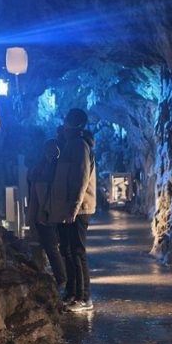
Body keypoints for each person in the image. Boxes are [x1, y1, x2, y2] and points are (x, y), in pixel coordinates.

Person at [50, 108, 97, 312]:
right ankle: (72, 292)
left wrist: (74, 208)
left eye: (67, 121)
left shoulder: (79, 145)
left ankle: (84, 297)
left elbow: (81, 179)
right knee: (67, 251)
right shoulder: (69, 144)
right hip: (68, 208)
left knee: (77, 252)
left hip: (78, 209)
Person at [26, 139, 66, 290]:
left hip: (49, 213)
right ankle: (54, 276)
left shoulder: (52, 169)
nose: (51, 153)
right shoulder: (41, 169)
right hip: (42, 212)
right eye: (49, 150)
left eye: (53, 150)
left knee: (53, 247)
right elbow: (35, 194)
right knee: (47, 246)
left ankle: (62, 278)